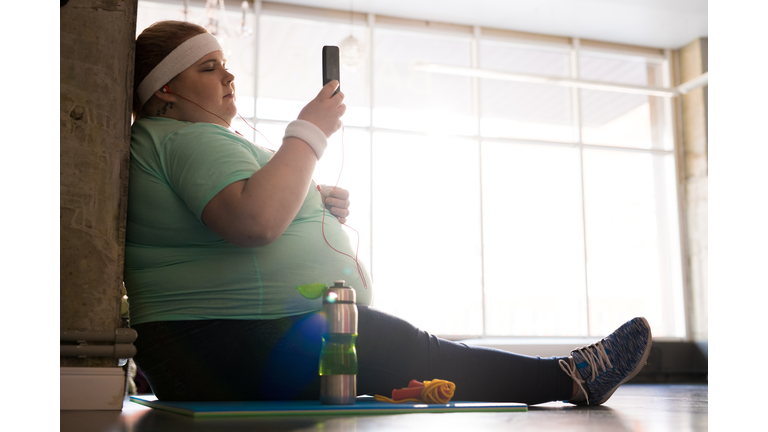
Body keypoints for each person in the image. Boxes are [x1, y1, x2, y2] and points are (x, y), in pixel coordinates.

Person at [125, 20, 652, 406]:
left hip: (209, 347)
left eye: (226, 65)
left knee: (402, 346)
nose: (228, 77)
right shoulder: (187, 139)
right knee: (386, 343)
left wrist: (310, 200)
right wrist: (310, 130)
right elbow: (256, 221)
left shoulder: (183, 141)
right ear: (165, 91)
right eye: (209, 68)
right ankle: (567, 377)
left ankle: (561, 374)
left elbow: (252, 206)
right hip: (215, 346)